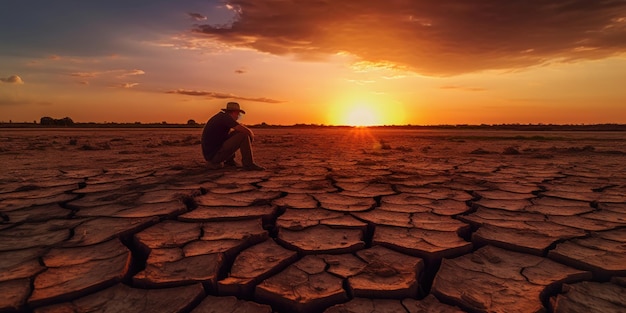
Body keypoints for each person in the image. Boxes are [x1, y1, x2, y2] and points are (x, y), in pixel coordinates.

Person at [201, 102, 265, 171]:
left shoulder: (222, 117)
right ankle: (248, 164)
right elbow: (243, 130)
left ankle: (230, 161)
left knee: (237, 133)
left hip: (212, 154)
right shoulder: (226, 118)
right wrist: (251, 135)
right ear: (234, 112)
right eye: (238, 114)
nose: (238, 117)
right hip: (214, 156)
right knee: (243, 135)